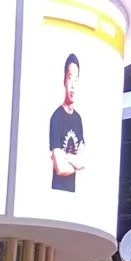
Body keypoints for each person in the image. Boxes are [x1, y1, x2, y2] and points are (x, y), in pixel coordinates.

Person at [50, 52, 85, 192]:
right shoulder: (56, 118)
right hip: (56, 193)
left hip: (72, 194)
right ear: (64, 80)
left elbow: (83, 161)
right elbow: (59, 168)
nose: (73, 85)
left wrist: (66, 157)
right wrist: (75, 164)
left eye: (76, 79)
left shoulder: (78, 120)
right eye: (70, 78)